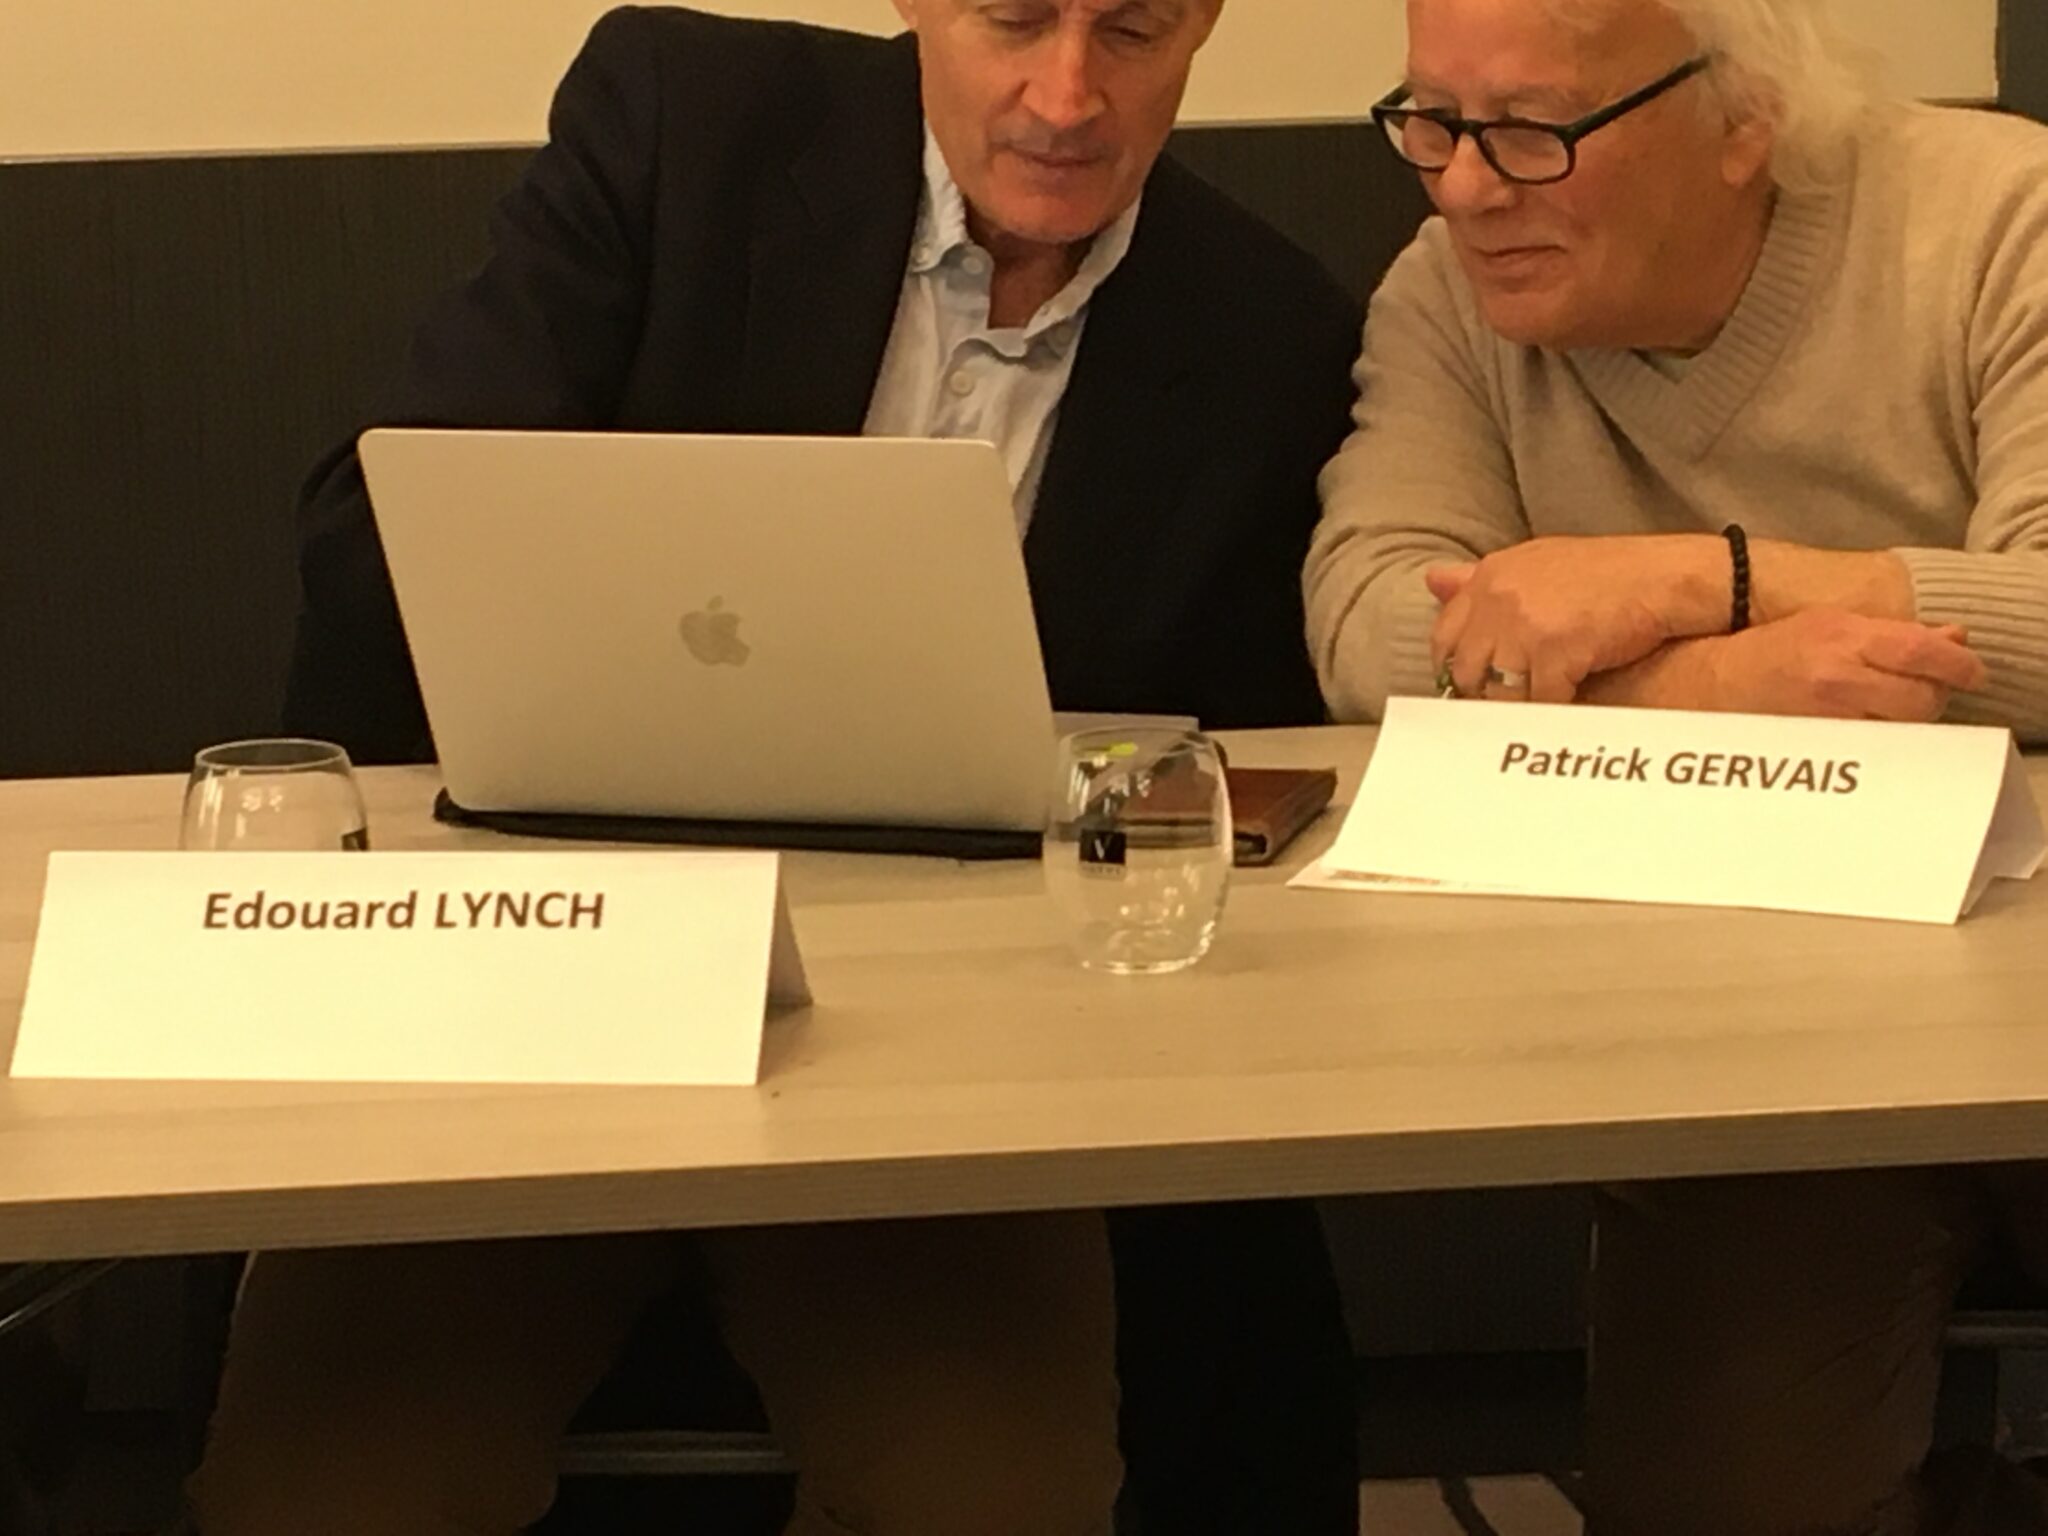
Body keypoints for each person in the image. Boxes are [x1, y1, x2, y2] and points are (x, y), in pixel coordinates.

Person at [183, 4, 1366, 1535]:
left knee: (997, 1494)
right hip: (535, 1017)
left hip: (947, 1090)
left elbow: (1216, 784)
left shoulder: (1268, 327)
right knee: (325, 1491)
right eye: (1017, 17)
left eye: (1132, 29)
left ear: (1205, 20)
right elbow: (383, 540)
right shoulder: (684, 128)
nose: (1068, 93)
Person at [1305, 0, 2048, 1530]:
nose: (1464, 187)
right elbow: (1371, 623)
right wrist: (1722, 680)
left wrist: (1704, 577)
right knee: (1715, 1498)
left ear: (1742, 117)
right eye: (1432, 122)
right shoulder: (1450, 293)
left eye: (1533, 130)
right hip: (1767, 1050)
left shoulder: (1994, 220)